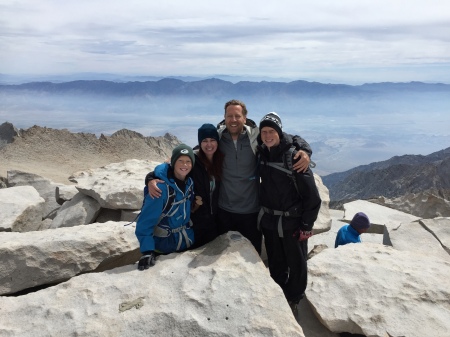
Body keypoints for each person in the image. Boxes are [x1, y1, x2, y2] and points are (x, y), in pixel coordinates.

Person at [216, 99, 313, 255]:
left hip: (251, 211)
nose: (233, 120)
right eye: (229, 116)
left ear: (244, 118)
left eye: (237, 116)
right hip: (224, 209)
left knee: (252, 256)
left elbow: (284, 137)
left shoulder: (256, 136)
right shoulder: (217, 138)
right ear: (224, 117)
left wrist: (305, 150)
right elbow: (201, 148)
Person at [257, 112, 321, 317]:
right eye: (264, 132)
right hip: (271, 221)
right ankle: (278, 294)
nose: (267, 136)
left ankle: (294, 298)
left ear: (279, 132)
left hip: (293, 223)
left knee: (297, 264)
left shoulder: (294, 157)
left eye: (271, 131)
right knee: (276, 262)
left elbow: (312, 197)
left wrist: (306, 226)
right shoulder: (261, 152)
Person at [145, 124, 224, 249]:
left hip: (215, 221)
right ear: (200, 142)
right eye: (205, 141)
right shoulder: (193, 160)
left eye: (212, 140)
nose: (209, 144)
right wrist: (150, 179)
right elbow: (167, 169)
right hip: (195, 222)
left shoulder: (221, 159)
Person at [135, 144, 195, 270]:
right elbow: (145, 222)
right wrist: (147, 251)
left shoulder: (189, 183)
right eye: (180, 161)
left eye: (188, 161)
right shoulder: (160, 189)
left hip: (186, 242)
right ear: (173, 162)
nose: (184, 165)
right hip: (163, 247)